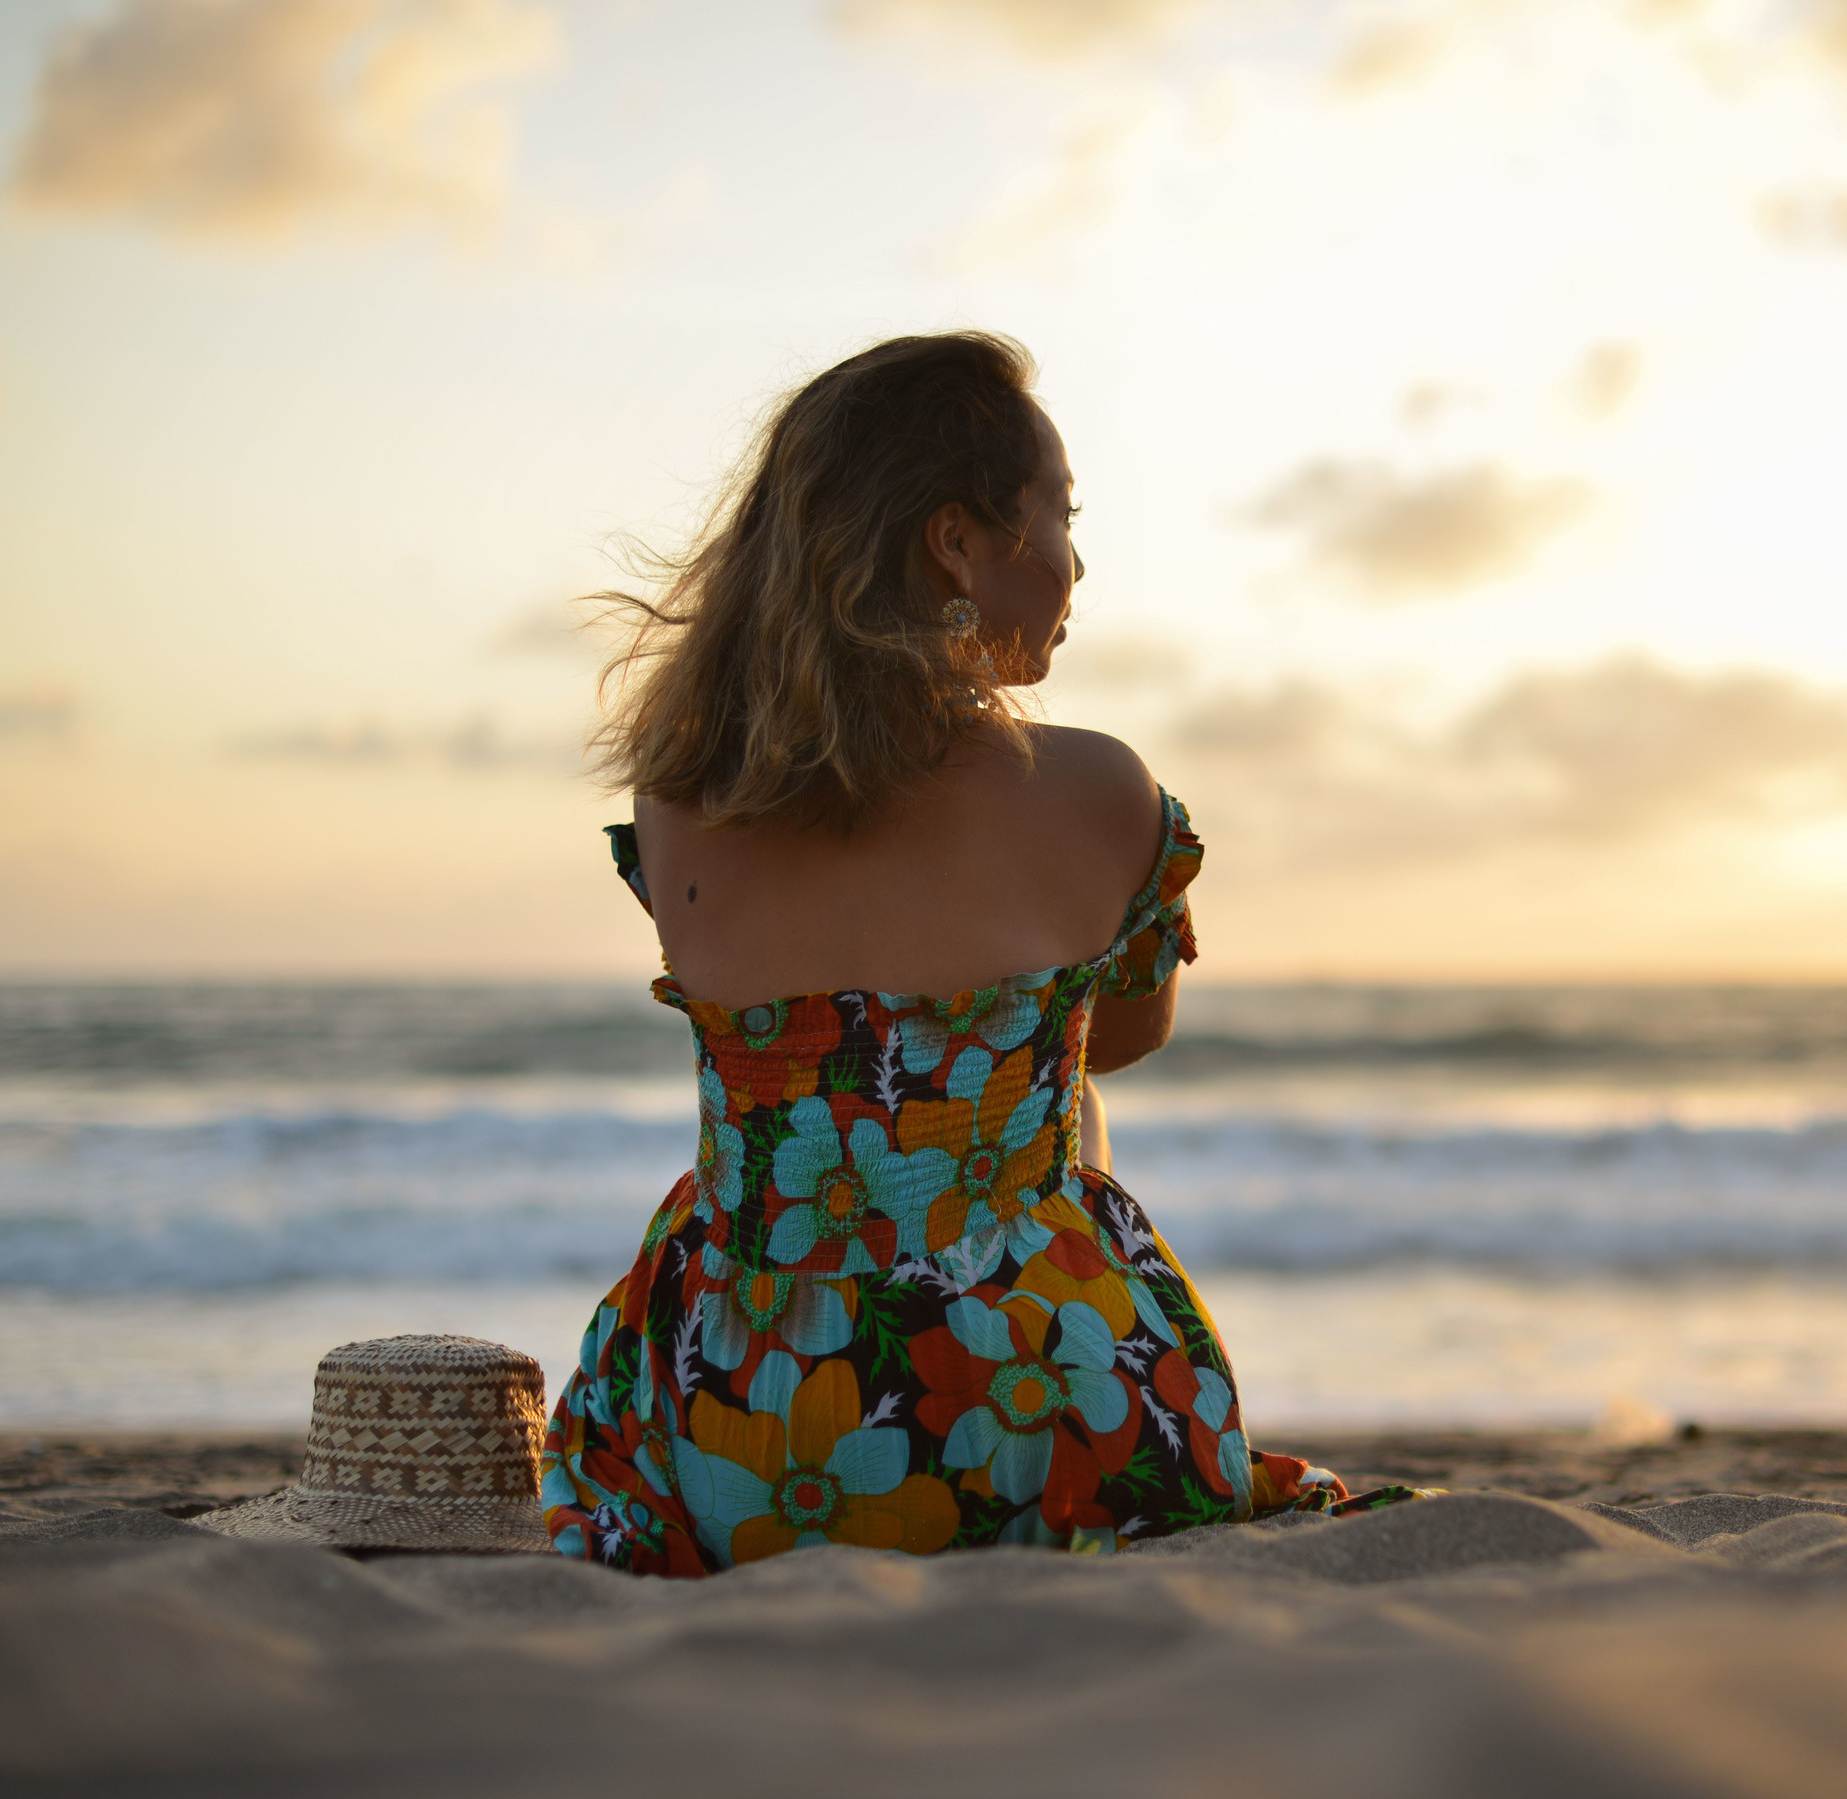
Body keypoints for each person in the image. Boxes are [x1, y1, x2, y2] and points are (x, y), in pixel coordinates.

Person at [541, 333, 1382, 1574]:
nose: (1075, 564)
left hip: (739, 1422)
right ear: (958, 540)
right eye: (1059, 517)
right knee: (1065, 1101)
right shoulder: (1098, 789)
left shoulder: (680, 800)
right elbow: (1133, 1036)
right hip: (1041, 1410)